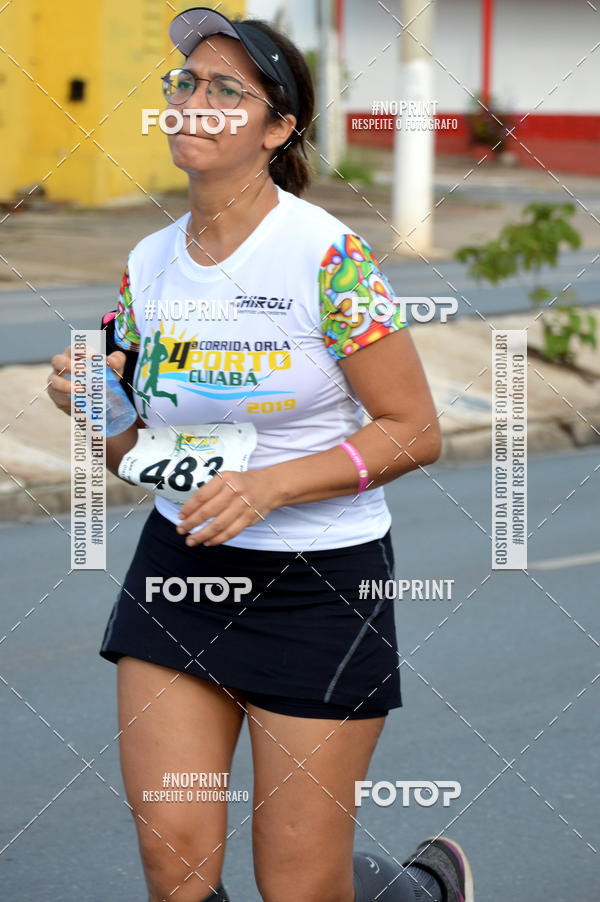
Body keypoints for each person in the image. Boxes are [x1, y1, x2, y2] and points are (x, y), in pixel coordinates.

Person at [48, 8, 473, 902]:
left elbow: (414, 427)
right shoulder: (149, 264)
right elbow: (136, 453)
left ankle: (418, 893)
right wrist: (94, 403)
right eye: (186, 84)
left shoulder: (328, 257)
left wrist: (270, 486)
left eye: (226, 90)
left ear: (278, 129)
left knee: (300, 886)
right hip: (181, 571)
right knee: (174, 865)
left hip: (321, 586)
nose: (195, 102)